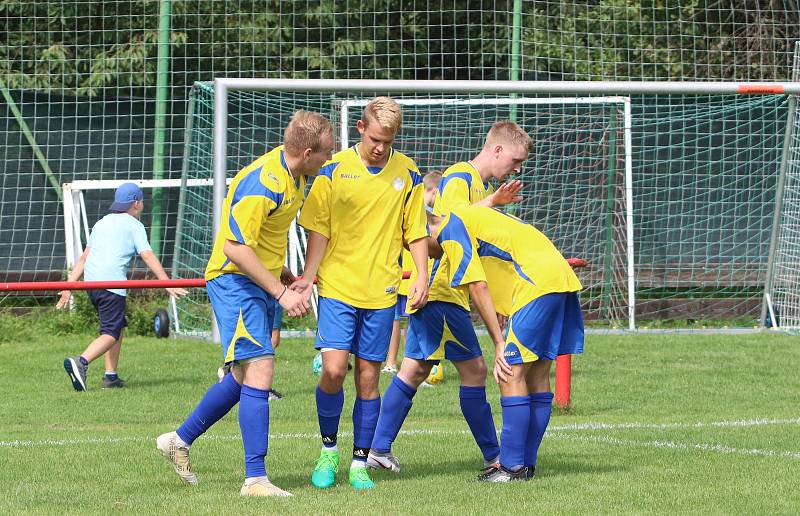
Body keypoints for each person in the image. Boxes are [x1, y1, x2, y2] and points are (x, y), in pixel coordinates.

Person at [155, 110, 334, 497]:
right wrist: (281, 292)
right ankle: (255, 479)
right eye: (326, 153)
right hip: (235, 283)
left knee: (243, 376)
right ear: (307, 152)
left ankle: (179, 440)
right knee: (261, 369)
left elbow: (256, 238)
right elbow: (235, 247)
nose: (329, 160)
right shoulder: (262, 183)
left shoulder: (295, 175)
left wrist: (279, 269)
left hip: (255, 280)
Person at [367, 125, 530, 476]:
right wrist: (493, 204)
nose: (517, 169)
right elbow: (452, 223)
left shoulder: (479, 185)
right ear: (497, 150)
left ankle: (377, 449)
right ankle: (494, 457)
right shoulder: (460, 176)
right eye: (516, 160)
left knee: (414, 369)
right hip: (443, 290)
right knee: (475, 371)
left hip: (446, 292)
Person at [292, 96, 430, 490]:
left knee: (369, 380)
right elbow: (319, 228)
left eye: (388, 140)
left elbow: (415, 231)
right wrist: (308, 277)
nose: (380, 147)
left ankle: (359, 462)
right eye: (374, 138)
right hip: (337, 286)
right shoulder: (333, 170)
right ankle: (328, 450)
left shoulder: (409, 174)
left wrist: (420, 274)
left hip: (382, 291)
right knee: (334, 370)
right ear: (360, 129)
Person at [431, 204, 584, 482]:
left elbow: (478, 285)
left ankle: (511, 466)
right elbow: (504, 258)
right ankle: (525, 464)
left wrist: (499, 343)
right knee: (537, 374)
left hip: (536, 283)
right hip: (556, 276)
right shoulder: (473, 217)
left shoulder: (449, 228)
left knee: (509, 371)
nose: (429, 255)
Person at [59, 183, 188, 391]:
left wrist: (68, 286)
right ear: (136, 203)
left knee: (118, 327)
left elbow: (83, 258)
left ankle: (111, 377)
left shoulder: (101, 222)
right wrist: (168, 283)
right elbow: (147, 255)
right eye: (143, 200)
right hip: (112, 286)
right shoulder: (134, 225)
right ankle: (81, 362)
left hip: (92, 285)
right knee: (111, 332)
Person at [383, 170, 442, 375]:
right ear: (434, 192)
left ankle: (403, 363)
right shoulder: (417, 212)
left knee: (406, 323)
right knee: (402, 322)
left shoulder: (432, 218)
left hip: (414, 279)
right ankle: (398, 363)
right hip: (405, 278)